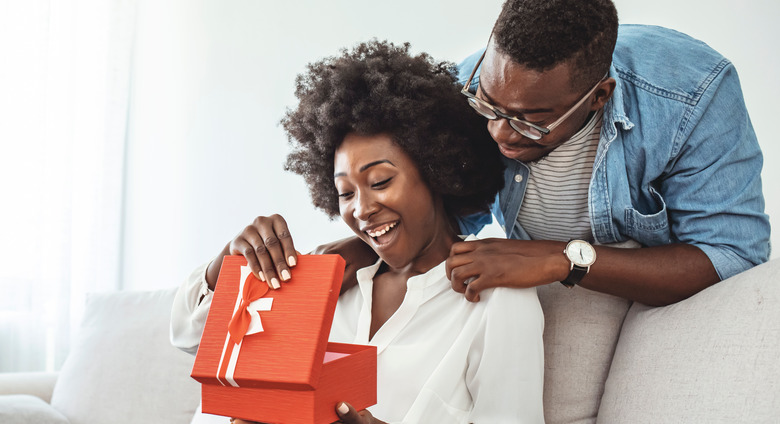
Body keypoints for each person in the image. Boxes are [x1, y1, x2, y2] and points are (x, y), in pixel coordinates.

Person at [238, 0, 770, 307]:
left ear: (598, 96)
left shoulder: (692, 95)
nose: (497, 132)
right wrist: (362, 247)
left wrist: (564, 259)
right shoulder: (459, 89)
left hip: (666, 301)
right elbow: (437, 212)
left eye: (530, 121)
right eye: (489, 104)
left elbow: (732, 254)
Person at [171, 40, 546, 424]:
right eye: (345, 193)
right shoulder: (325, 275)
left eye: (380, 181)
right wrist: (229, 263)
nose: (361, 209)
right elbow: (189, 337)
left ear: (437, 171)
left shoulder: (496, 298)